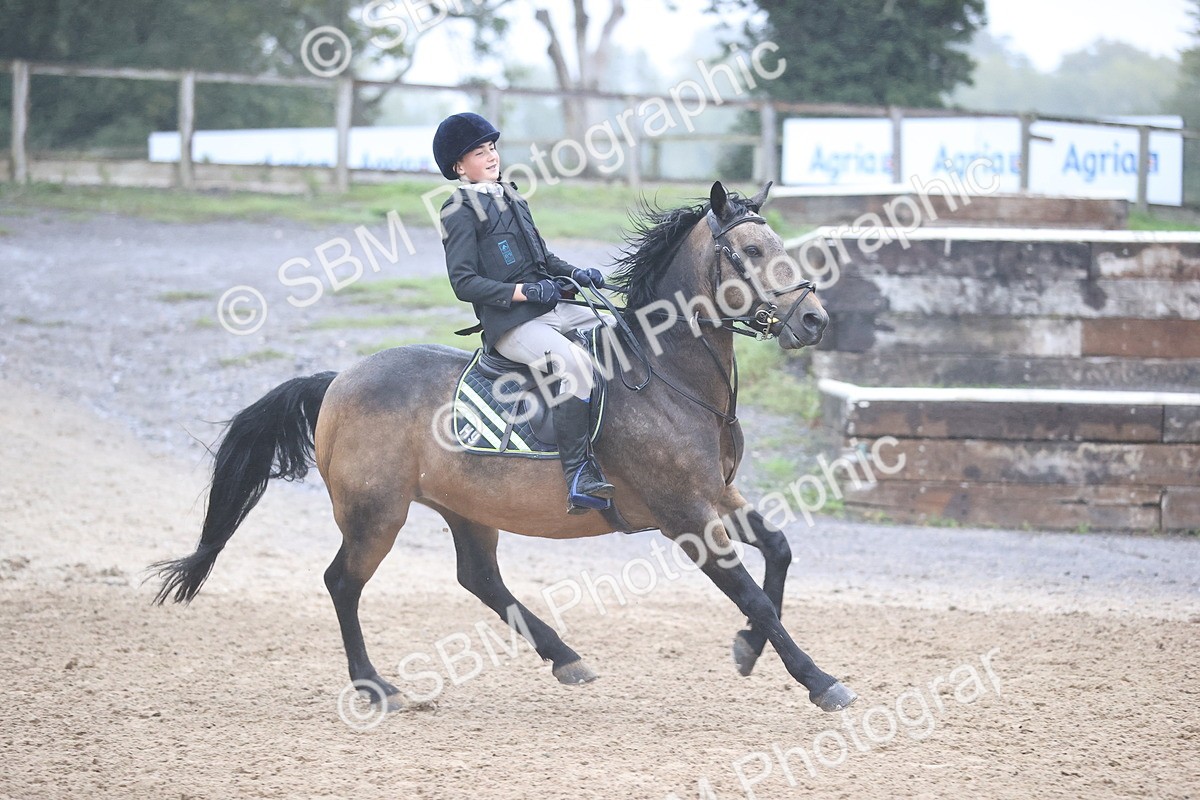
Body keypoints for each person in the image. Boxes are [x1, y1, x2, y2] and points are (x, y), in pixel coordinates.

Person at [433, 112, 615, 515]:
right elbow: (463, 283)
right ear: (459, 167)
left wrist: (576, 273)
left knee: (619, 327)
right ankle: (579, 475)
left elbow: (543, 257)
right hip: (512, 324)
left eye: (492, 148)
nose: (491, 157)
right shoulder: (457, 211)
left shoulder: (512, 196)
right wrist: (524, 291)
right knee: (574, 364)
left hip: (551, 305)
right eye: (479, 153)